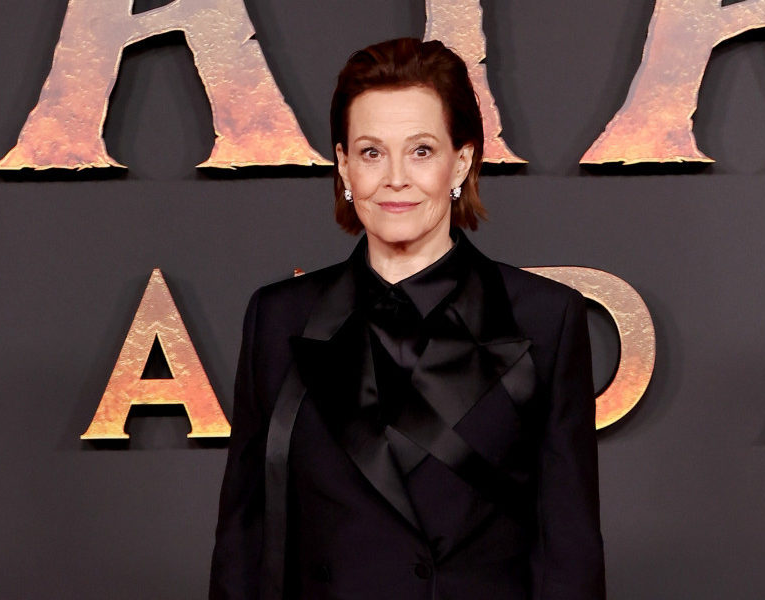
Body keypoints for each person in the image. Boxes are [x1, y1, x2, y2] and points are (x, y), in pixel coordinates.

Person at [210, 37, 605, 600]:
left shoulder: (544, 318)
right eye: (372, 152)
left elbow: (569, 553)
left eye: (421, 150)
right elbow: (244, 542)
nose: (395, 178)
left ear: (460, 162)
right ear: (344, 165)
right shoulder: (279, 318)